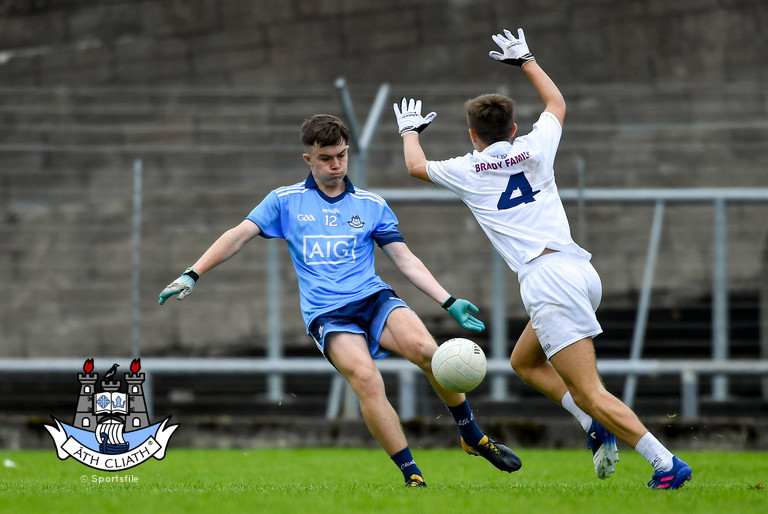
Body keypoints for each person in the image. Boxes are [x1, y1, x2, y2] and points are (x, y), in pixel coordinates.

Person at [393, 27, 692, 489]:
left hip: (546, 280)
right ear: (513, 130)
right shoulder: (535, 146)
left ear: (473, 136)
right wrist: (526, 59)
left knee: (591, 392)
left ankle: (666, 463)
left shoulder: (468, 169)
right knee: (524, 362)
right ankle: (592, 425)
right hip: (580, 270)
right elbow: (557, 105)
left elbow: (415, 165)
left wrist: (410, 131)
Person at [158, 113, 522, 487]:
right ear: (308, 159)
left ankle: (472, 435)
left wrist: (448, 301)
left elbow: (405, 259)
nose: (336, 165)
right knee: (367, 379)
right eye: (327, 158)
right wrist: (192, 273)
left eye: (342, 156)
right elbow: (236, 236)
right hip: (328, 314)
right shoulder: (284, 201)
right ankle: (413, 476)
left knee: (430, 353)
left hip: (373, 298)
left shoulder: (371, 204)